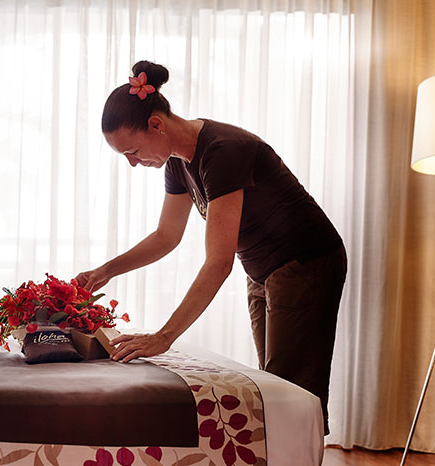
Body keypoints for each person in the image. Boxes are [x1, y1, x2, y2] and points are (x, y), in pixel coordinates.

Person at [75, 61, 346, 434]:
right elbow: (166, 237)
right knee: (277, 386)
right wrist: (105, 271)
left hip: (306, 260)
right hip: (263, 268)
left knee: (292, 391)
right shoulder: (177, 162)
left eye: (133, 151)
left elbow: (218, 263)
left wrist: (164, 337)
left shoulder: (223, 151)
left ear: (156, 124)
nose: (134, 164)